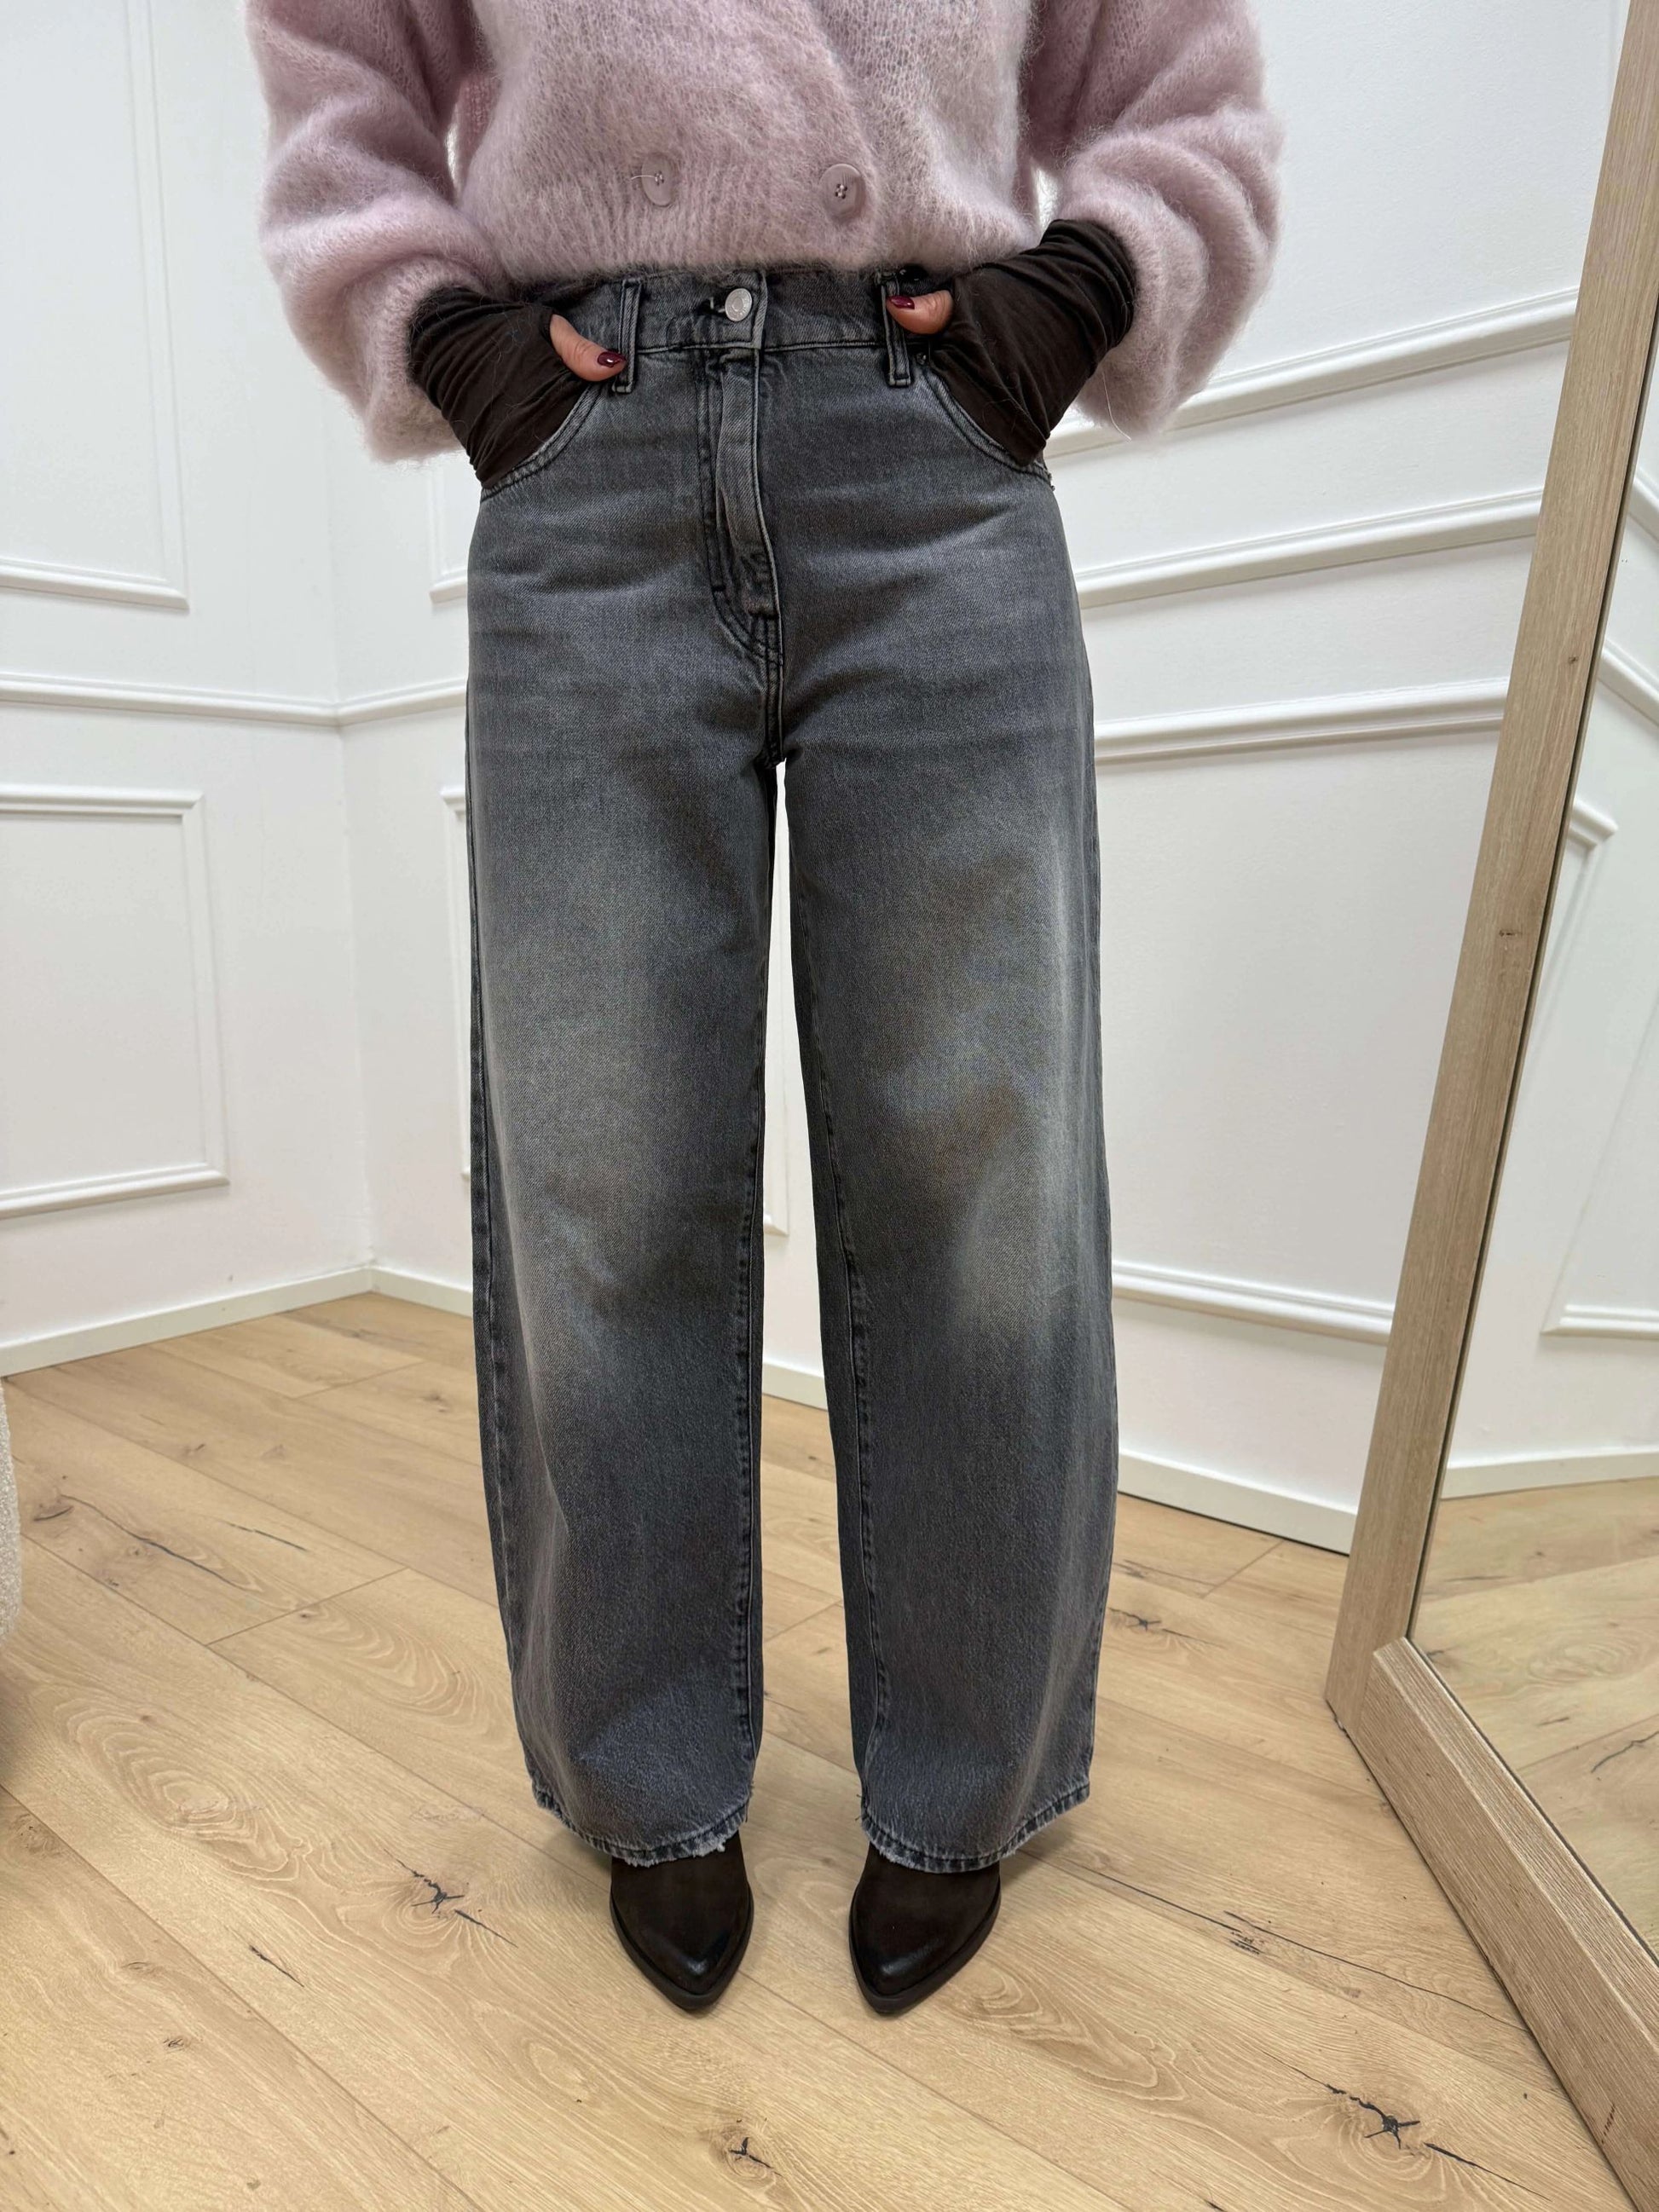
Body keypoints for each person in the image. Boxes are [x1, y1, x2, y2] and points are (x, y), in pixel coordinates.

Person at [246, 0, 1281, 2017]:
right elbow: (339, 72)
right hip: (588, 462)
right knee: (602, 1164)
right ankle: (648, 1775)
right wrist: (448, 339)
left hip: (936, 459)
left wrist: (1077, 292)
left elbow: (1183, 88)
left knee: (980, 1162)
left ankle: (964, 1781)